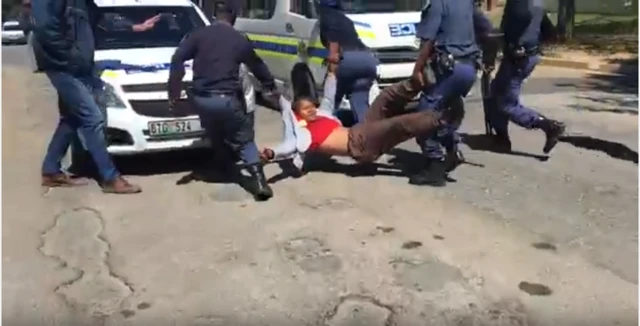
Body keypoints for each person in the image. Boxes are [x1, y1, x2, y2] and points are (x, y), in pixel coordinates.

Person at [260, 64, 450, 181]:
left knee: (385, 98)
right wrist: (271, 152)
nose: (312, 110)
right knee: (397, 124)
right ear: (298, 115)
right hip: (359, 145)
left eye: (312, 106)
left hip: (361, 131)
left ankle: (419, 80)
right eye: (306, 109)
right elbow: (289, 145)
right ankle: (442, 118)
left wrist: (332, 73)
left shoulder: (322, 115)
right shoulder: (304, 132)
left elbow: (328, 97)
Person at [168, 1, 278, 201]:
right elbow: (257, 65)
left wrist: (174, 92)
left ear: (214, 17)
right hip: (226, 99)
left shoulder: (198, 35)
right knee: (244, 139)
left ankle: (223, 167)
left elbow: (177, 59)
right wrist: (269, 86)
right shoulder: (239, 39)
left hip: (201, 99)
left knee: (215, 131)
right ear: (234, 17)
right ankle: (260, 183)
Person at [32, 0, 142, 193]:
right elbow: (44, 27)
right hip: (62, 67)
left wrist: (133, 26)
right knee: (92, 118)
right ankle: (110, 178)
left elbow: (101, 18)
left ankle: (50, 171)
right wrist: (69, 55)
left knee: (71, 119)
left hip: (78, 66)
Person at [409, 0, 495, 187]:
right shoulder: (467, 3)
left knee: (423, 115)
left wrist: (417, 69)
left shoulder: (438, 4)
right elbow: (487, 29)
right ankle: (451, 150)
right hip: (468, 68)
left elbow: (428, 40)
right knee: (447, 112)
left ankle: (435, 165)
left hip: (450, 70)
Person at [487, 0, 565, 153]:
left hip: (518, 59)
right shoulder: (536, 3)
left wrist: (516, 43)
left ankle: (547, 126)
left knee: (507, 104)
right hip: (528, 55)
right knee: (495, 92)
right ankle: (501, 138)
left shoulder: (521, 3)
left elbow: (520, 19)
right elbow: (549, 32)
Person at [315, 0, 379, 124]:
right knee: (360, 102)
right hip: (367, 59)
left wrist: (332, 63)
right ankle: (366, 137)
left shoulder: (327, 17)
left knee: (331, 99)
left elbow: (334, 40)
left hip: (348, 60)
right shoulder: (346, 20)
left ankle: (324, 132)